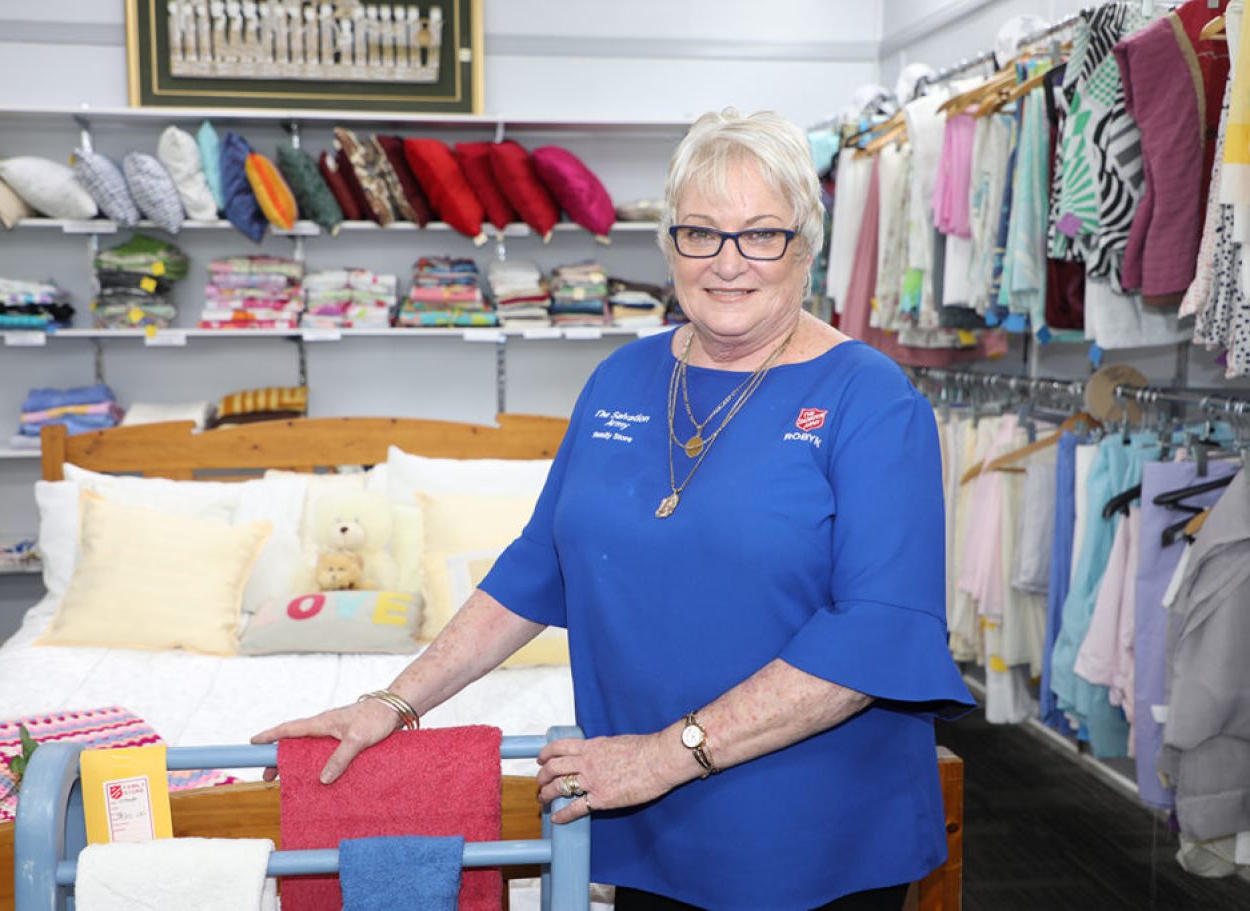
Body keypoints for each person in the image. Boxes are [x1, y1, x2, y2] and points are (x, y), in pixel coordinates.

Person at [254, 108, 975, 910]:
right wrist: (394, 701)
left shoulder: (871, 399)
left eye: (761, 235)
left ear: (805, 247)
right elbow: (538, 565)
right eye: (700, 233)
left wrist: (661, 756)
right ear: (669, 245)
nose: (728, 261)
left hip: (812, 835)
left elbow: (875, 636)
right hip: (649, 822)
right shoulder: (620, 379)